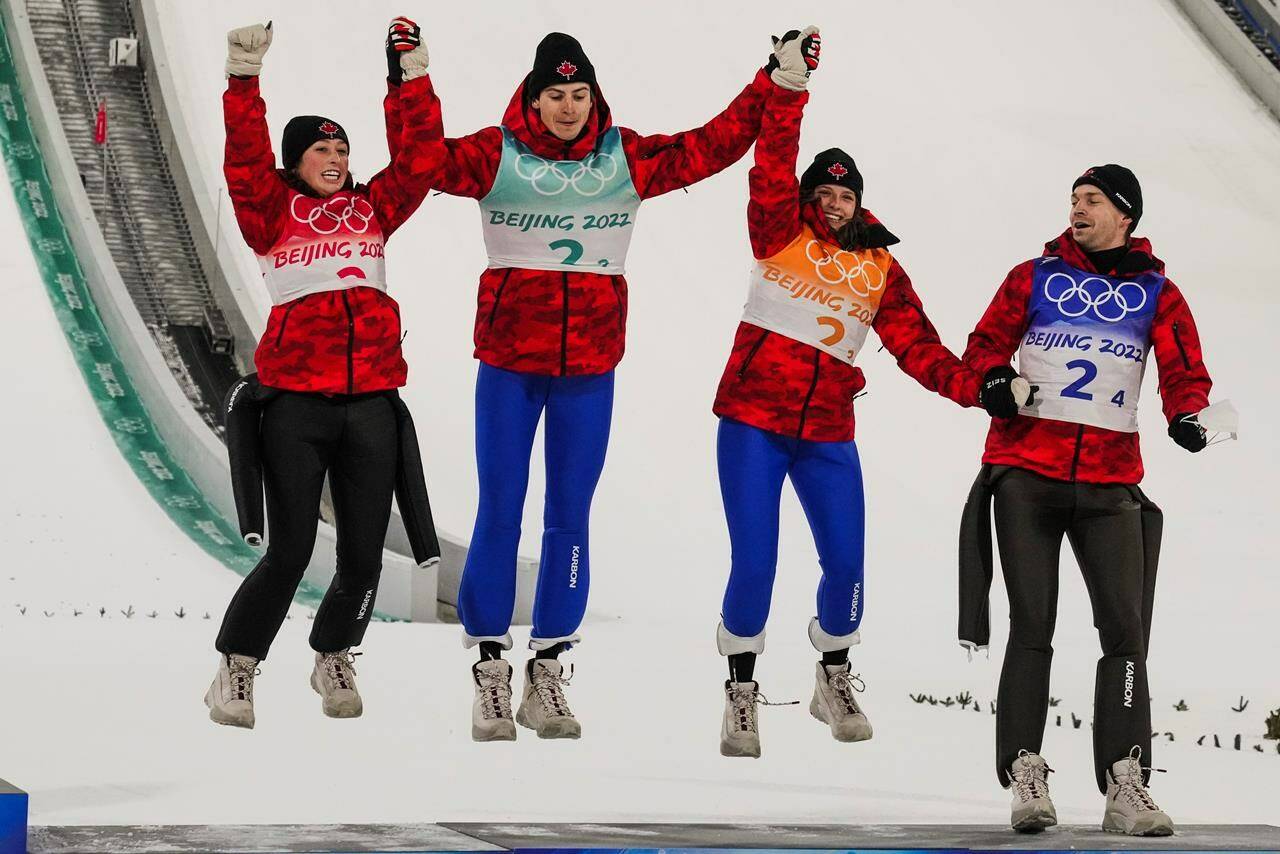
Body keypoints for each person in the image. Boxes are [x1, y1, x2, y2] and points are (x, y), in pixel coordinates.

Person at [410, 28, 790, 742]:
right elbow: (422, 161)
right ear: (533, 96)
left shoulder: (627, 156)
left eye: (579, 94)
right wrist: (410, 80)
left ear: (595, 97)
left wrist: (774, 81)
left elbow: (716, 143)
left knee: (570, 514)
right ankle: (491, 670)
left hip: (588, 367)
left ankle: (547, 669)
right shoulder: (497, 153)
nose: (567, 107)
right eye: (555, 94)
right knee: (501, 507)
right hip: (509, 365)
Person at [711, 29, 983, 759]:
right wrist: (789, 88)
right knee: (755, 561)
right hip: (752, 424)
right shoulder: (776, 230)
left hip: (827, 434)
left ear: (859, 201)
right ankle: (741, 689)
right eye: (822, 193)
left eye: (844, 194)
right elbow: (770, 162)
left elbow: (920, 348)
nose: (832, 204)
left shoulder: (881, 268)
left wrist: (981, 389)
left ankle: (834, 673)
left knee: (848, 564)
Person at [959, 164, 1213, 835]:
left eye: (1093, 200)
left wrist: (1188, 414)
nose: (1078, 208)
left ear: (1125, 214)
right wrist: (990, 379)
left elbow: (1185, 367)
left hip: (1109, 484)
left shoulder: (1157, 290)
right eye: (1073, 199)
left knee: (1125, 633)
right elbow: (985, 343)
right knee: (1032, 624)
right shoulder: (1032, 276)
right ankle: (1025, 775)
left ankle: (1126, 783)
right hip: (1026, 473)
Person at [204, 18, 436, 729]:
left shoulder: (372, 209)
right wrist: (244, 77)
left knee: (364, 557)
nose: (333, 159)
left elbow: (421, 160)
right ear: (295, 161)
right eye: (319, 150)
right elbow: (243, 158)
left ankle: (334, 653)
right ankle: (236, 669)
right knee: (293, 550)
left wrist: (411, 78)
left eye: (340, 149)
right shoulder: (270, 213)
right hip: (296, 407)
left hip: (370, 403)